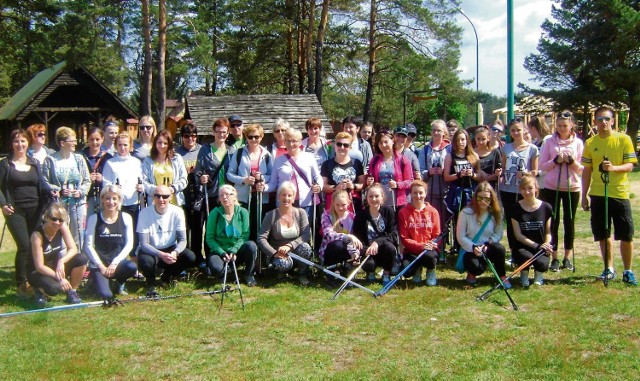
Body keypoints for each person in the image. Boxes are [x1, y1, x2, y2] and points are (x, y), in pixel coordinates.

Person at [581, 105, 637, 285]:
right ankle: (609, 268)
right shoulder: (590, 143)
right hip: (598, 194)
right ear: (594, 122)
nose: (603, 122)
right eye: (599, 119)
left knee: (626, 234)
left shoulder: (624, 139)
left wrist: (614, 168)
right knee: (603, 233)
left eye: (607, 119)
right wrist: (584, 196)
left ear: (613, 121)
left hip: (619, 194)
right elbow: (587, 171)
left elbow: (630, 165)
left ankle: (628, 271)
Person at [0, 129, 50, 299]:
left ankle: (35, 279)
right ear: (11, 144)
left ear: (28, 142)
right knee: (24, 246)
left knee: (36, 245)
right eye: (16, 141)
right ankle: (21, 284)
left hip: (36, 210)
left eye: (22, 141)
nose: (19, 144)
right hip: (15, 211)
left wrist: (50, 196)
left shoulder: (34, 162)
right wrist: (3, 204)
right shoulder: (5, 164)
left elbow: (42, 183)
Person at [539, 110, 583, 272]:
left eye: (565, 125)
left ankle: (567, 257)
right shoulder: (549, 141)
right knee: (554, 222)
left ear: (571, 125)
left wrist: (572, 162)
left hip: (572, 187)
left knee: (569, 221)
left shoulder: (578, 143)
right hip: (552, 187)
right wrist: (556, 161)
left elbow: (582, 169)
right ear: (555, 126)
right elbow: (542, 166)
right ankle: (555, 257)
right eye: (559, 126)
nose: (562, 128)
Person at [137, 185, 197, 296]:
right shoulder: (144, 213)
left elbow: (183, 240)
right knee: (146, 262)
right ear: (153, 197)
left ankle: (168, 276)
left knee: (190, 257)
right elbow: (143, 243)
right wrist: (161, 254)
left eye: (165, 196)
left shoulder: (178, 211)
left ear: (171, 197)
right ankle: (150, 283)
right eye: (157, 196)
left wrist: (175, 252)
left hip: (170, 248)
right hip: (151, 249)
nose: (161, 199)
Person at [28, 203, 88, 307]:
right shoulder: (37, 235)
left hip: (55, 266)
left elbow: (73, 248)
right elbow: (39, 266)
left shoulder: (62, 226)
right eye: (54, 219)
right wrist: (60, 278)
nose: (57, 222)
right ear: (46, 217)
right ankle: (39, 291)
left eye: (61, 220)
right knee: (54, 289)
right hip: (37, 272)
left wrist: (62, 261)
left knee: (81, 259)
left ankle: (72, 291)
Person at [84, 185, 137, 300]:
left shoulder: (126, 217)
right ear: (102, 199)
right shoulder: (94, 218)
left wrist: (115, 263)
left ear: (119, 200)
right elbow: (88, 245)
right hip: (100, 265)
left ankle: (119, 283)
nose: (111, 202)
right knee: (106, 295)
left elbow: (129, 245)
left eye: (114, 198)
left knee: (131, 266)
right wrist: (101, 266)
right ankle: (95, 280)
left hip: (116, 264)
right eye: (107, 198)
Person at [42, 126, 91, 249]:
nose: (75, 143)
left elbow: (87, 180)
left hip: (78, 203)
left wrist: (80, 192)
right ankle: (63, 261)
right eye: (72, 141)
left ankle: (79, 262)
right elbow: (44, 181)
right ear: (62, 143)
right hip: (60, 205)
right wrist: (59, 190)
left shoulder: (79, 159)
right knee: (62, 233)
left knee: (79, 234)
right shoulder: (51, 160)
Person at [257, 181, 313, 285]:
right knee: (281, 264)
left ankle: (302, 274)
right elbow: (261, 238)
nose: (286, 198)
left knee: (306, 247)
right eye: (283, 195)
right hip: (277, 253)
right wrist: (274, 253)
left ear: (293, 197)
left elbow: (306, 235)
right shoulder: (270, 215)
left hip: (295, 251)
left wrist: (290, 245)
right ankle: (281, 273)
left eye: (289, 195)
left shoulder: (301, 213)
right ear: (278, 196)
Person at [456, 182, 510, 288]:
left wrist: (488, 244)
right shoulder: (466, 213)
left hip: (487, 246)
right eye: (480, 198)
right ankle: (472, 272)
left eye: (487, 199)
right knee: (475, 267)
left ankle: (502, 276)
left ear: (492, 199)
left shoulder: (497, 213)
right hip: (471, 249)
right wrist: (473, 247)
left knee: (499, 249)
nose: (483, 202)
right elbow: (460, 236)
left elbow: (498, 233)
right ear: (475, 197)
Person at [227, 124, 272, 243]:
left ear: (261, 137)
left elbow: (272, 176)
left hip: (260, 197)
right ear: (246, 137)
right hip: (242, 197)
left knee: (258, 226)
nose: (253, 140)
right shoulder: (239, 152)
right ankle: (243, 253)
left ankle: (258, 254)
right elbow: (229, 174)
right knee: (243, 226)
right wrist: (243, 180)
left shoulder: (267, 155)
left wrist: (261, 177)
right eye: (250, 137)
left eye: (256, 137)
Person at [205, 185, 257, 286]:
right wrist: (222, 253)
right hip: (220, 252)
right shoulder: (214, 213)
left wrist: (234, 250)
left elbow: (245, 235)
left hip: (237, 250)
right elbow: (210, 238)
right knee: (216, 269)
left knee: (251, 246)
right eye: (221, 195)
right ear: (219, 199)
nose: (224, 197)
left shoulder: (243, 212)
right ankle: (226, 271)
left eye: (228, 194)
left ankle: (248, 274)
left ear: (235, 196)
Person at [264, 128, 323, 217]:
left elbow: (317, 177)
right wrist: (263, 188)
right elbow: (273, 183)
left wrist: (319, 186)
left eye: (294, 141)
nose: (291, 144)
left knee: (304, 230)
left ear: (300, 142)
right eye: (288, 141)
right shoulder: (278, 160)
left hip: (305, 203)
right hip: (284, 203)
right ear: (284, 142)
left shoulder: (309, 157)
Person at [501, 118, 539, 251]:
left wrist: (525, 174)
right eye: (513, 130)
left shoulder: (532, 149)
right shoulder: (505, 148)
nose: (516, 133)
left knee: (525, 220)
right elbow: (504, 168)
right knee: (511, 222)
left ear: (524, 130)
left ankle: (527, 248)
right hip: (507, 189)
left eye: (518, 129)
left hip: (524, 190)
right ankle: (513, 251)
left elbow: (535, 172)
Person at [102, 132, 144, 253]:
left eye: (125, 145)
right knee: (119, 232)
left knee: (133, 231)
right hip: (117, 205)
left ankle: (134, 257)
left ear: (131, 146)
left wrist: (141, 187)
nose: (123, 147)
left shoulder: (136, 162)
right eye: (120, 145)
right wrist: (113, 187)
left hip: (133, 203)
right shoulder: (110, 163)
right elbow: (105, 185)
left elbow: (142, 180)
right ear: (116, 146)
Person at [511, 173, 553, 287]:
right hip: (523, 246)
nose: (527, 192)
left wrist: (546, 243)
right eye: (524, 189)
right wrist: (536, 246)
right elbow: (518, 235)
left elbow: (548, 232)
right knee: (526, 258)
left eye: (530, 188)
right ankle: (524, 275)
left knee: (542, 264)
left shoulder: (546, 207)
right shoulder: (515, 208)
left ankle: (538, 276)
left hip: (541, 246)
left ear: (536, 189)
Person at [444, 129, 482, 253]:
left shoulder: (474, 156)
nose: (461, 142)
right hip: (456, 192)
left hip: (470, 191)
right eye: (458, 140)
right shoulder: (450, 156)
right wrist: (459, 174)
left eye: (463, 139)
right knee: (457, 218)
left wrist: (472, 174)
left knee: (471, 217)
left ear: (467, 141)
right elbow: (446, 177)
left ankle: (471, 243)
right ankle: (457, 245)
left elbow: (479, 176)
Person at [352, 184, 397, 285]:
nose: (374, 199)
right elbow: (357, 238)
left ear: (382, 197)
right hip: (368, 249)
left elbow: (393, 235)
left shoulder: (389, 211)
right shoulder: (360, 216)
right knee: (369, 264)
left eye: (377, 196)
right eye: (370, 196)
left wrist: (377, 242)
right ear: (366, 198)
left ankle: (386, 273)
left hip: (384, 248)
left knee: (390, 248)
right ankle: (370, 272)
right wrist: (365, 249)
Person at [398, 180, 441, 286]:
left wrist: (431, 244)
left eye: (421, 193)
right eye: (415, 193)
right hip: (411, 250)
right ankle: (417, 268)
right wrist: (421, 246)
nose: (418, 196)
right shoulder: (403, 212)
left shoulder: (433, 212)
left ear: (425, 193)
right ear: (411, 194)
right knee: (406, 272)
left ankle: (430, 270)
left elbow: (437, 234)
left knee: (430, 258)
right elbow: (404, 237)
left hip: (429, 250)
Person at [418, 119, 451, 252]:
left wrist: (445, 171)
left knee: (444, 221)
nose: (436, 133)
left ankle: (443, 247)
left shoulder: (449, 148)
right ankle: (432, 246)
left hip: (446, 190)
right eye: (434, 130)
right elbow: (420, 171)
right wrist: (429, 172)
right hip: (430, 192)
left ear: (444, 133)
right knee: (430, 220)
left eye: (439, 130)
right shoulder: (425, 149)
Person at [175, 122, 204, 266]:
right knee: (184, 227)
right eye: (187, 136)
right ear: (182, 137)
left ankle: (198, 255)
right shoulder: (176, 152)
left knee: (198, 227)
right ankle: (185, 257)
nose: (190, 139)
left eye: (193, 136)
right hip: (183, 193)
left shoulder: (202, 150)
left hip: (198, 193)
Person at [318, 189, 362, 278]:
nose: (340, 208)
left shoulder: (353, 217)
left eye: (343, 205)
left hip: (347, 250)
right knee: (338, 244)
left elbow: (354, 241)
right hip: (330, 250)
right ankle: (331, 272)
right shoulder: (326, 215)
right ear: (333, 203)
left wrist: (355, 253)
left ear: (349, 203)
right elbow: (328, 234)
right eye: (337, 205)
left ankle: (346, 269)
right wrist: (348, 236)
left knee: (351, 249)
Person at [366, 129, 413, 210]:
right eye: (380, 143)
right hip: (379, 202)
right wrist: (369, 181)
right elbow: (370, 177)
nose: (383, 145)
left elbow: (410, 181)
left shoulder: (403, 160)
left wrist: (397, 184)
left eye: (386, 142)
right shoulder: (374, 160)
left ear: (392, 141)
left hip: (398, 203)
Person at [321, 132, 366, 212]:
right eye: (339, 144)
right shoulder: (326, 164)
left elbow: (362, 184)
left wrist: (353, 186)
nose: (342, 147)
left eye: (346, 145)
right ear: (334, 145)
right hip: (334, 205)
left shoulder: (357, 163)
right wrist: (336, 187)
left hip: (353, 203)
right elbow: (324, 187)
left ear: (350, 147)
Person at [141, 130, 188, 206]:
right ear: (155, 143)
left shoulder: (177, 158)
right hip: (155, 202)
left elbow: (184, 179)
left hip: (174, 201)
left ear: (169, 144)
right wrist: (158, 191)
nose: (162, 146)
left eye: (165, 143)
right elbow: (144, 181)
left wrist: (173, 188)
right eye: (159, 142)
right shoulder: (148, 161)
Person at [81, 127, 113, 216]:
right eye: (91, 139)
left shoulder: (108, 157)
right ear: (87, 140)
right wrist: (87, 178)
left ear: (102, 139)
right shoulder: (81, 156)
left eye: (97, 139)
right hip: (87, 196)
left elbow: (112, 176)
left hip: (103, 195)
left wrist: (103, 178)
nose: (94, 142)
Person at [473, 125, 502, 191]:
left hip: (490, 188)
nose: (480, 142)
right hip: (475, 188)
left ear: (488, 138)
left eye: (483, 139)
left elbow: (499, 170)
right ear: (475, 138)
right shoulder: (472, 152)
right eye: (478, 139)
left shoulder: (495, 152)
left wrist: (489, 177)